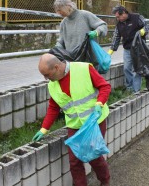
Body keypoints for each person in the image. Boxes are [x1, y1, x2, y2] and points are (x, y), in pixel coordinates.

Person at [32, 53, 111, 186]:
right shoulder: (53, 84)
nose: (46, 78)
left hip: (93, 122)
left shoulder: (83, 69)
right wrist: (44, 129)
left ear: (56, 67)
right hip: (74, 125)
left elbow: (105, 86)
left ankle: (105, 181)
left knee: (94, 156)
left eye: (47, 75)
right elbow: (53, 107)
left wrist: (99, 104)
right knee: (74, 161)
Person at [108, 5, 149, 93]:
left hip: (139, 48)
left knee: (136, 69)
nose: (118, 19)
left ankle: (136, 90)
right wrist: (110, 51)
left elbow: (148, 25)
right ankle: (129, 87)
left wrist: (143, 31)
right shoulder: (119, 24)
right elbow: (116, 37)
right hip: (127, 49)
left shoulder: (137, 17)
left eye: (118, 17)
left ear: (123, 13)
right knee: (126, 68)